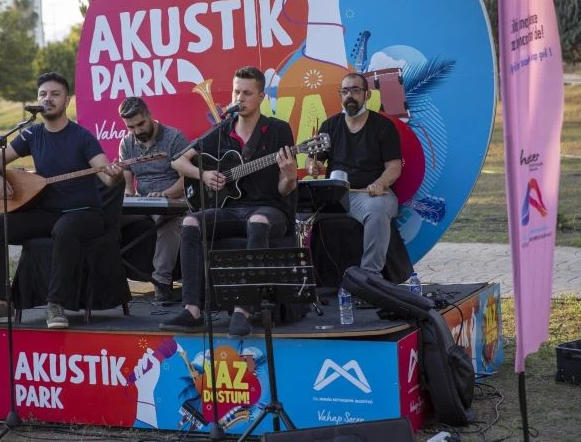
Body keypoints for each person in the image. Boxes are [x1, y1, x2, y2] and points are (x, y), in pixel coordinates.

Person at [0, 72, 123, 329]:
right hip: (48, 213)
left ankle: (56, 304)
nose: (47, 99)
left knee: (65, 229)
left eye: (55, 94)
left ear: (67, 101)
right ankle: (2, 303)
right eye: (43, 94)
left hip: (85, 214)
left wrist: (115, 176)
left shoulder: (82, 137)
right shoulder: (32, 134)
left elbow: (107, 177)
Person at [159, 66, 298, 338]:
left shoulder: (278, 129)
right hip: (230, 209)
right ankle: (192, 310)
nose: (240, 98)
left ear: (261, 97)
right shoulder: (222, 131)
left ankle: (243, 310)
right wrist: (204, 175)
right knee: (190, 222)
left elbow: (285, 189)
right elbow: (178, 161)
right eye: (236, 92)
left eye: (247, 93)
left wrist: (290, 176)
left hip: (270, 209)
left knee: (258, 221)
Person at [306, 72, 402, 275]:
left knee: (377, 210)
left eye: (356, 90)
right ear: (340, 95)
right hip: (335, 196)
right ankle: (308, 277)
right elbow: (313, 159)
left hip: (369, 195)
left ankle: (369, 277)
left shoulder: (383, 126)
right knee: (299, 213)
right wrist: (312, 166)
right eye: (345, 91)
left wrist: (380, 184)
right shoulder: (329, 126)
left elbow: (394, 166)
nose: (349, 95)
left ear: (367, 95)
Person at [117, 96, 190, 302]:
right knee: (106, 219)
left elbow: (187, 178)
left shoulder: (174, 138)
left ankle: (161, 284)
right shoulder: (126, 143)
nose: (137, 131)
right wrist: (128, 196)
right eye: (131, 127)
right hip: (142, 202)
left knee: (169, 221)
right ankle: (112, 283)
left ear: (149, 115)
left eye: (140, 124)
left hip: (173, 200)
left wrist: (166, 194)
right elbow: (128, 178)